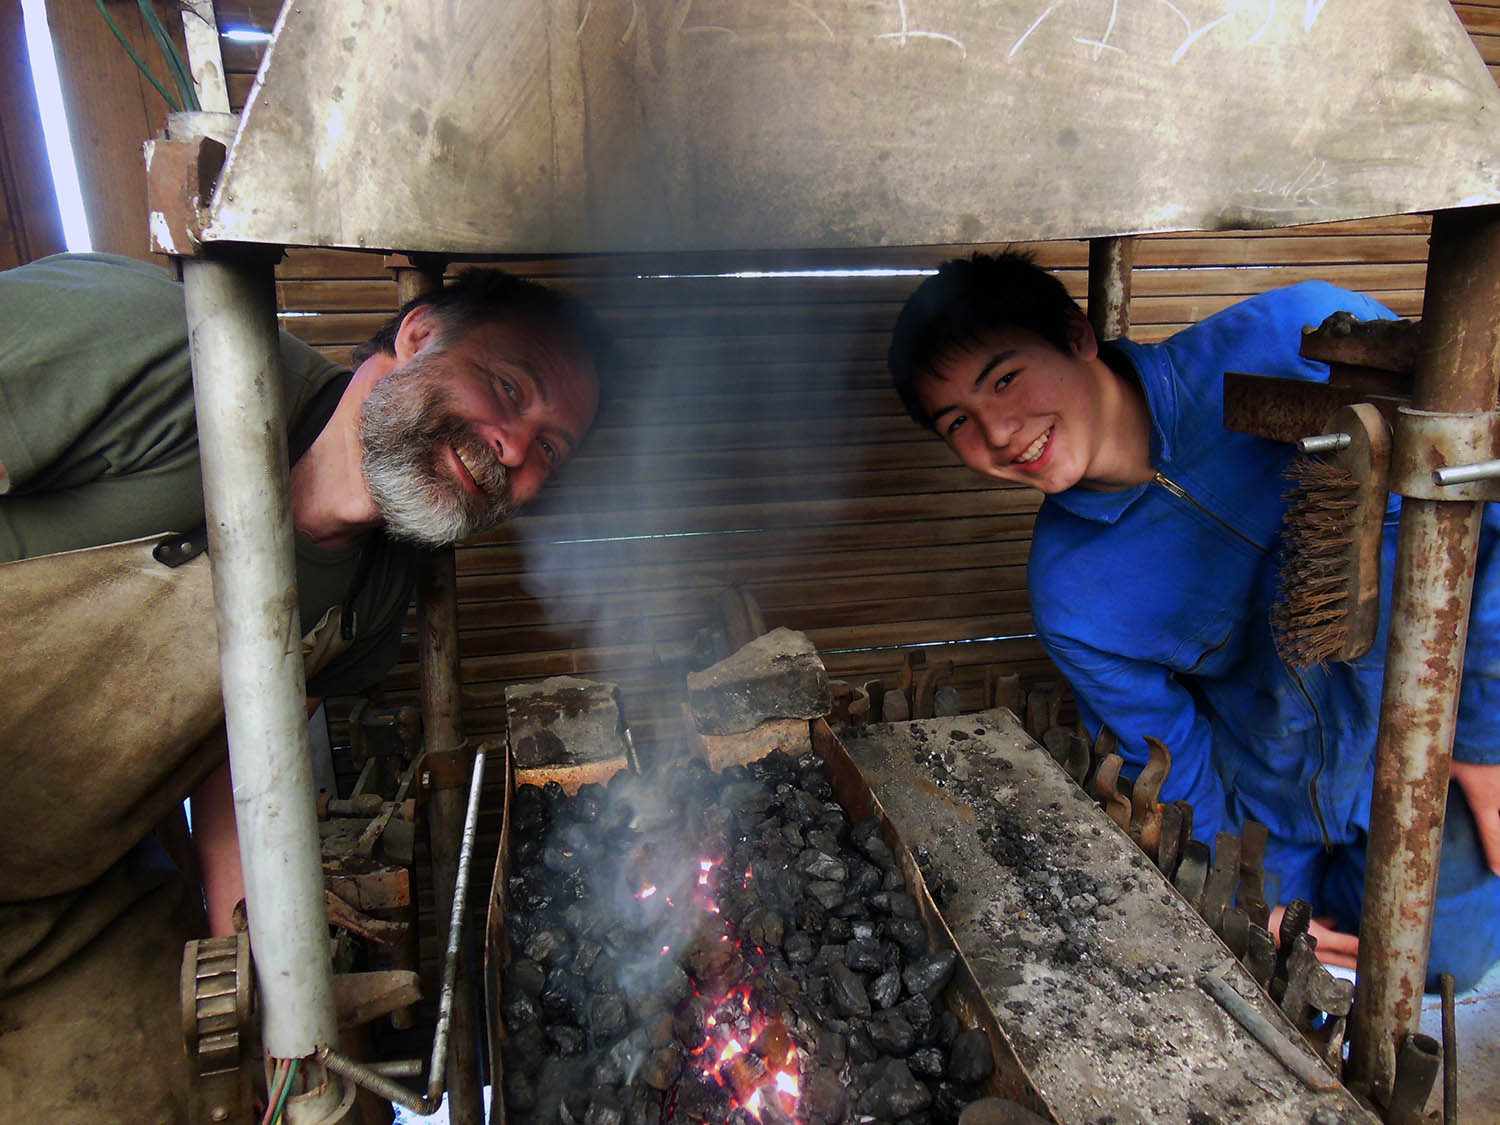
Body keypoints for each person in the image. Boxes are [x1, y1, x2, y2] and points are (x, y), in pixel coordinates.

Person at [0, 252, 612, 1121]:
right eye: (510, 388)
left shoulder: (373, 601)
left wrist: (253, 965)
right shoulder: (162, 349)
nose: (515, 447)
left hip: (61, 897)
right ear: (419, 334)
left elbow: (238, 757)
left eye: (550, 447)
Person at [887, 251, 1500, 991]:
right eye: (959, 421)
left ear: (1077, 335)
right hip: (1268, 793)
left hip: (1425, 740)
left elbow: (1486, 516)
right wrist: (1235, 901)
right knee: (1283, 980)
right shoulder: (1071, 591)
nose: (998, 432)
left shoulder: (1296, 335)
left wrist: (1482, 743)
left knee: (1445, 962)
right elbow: (1166, 756)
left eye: (1005, 379)